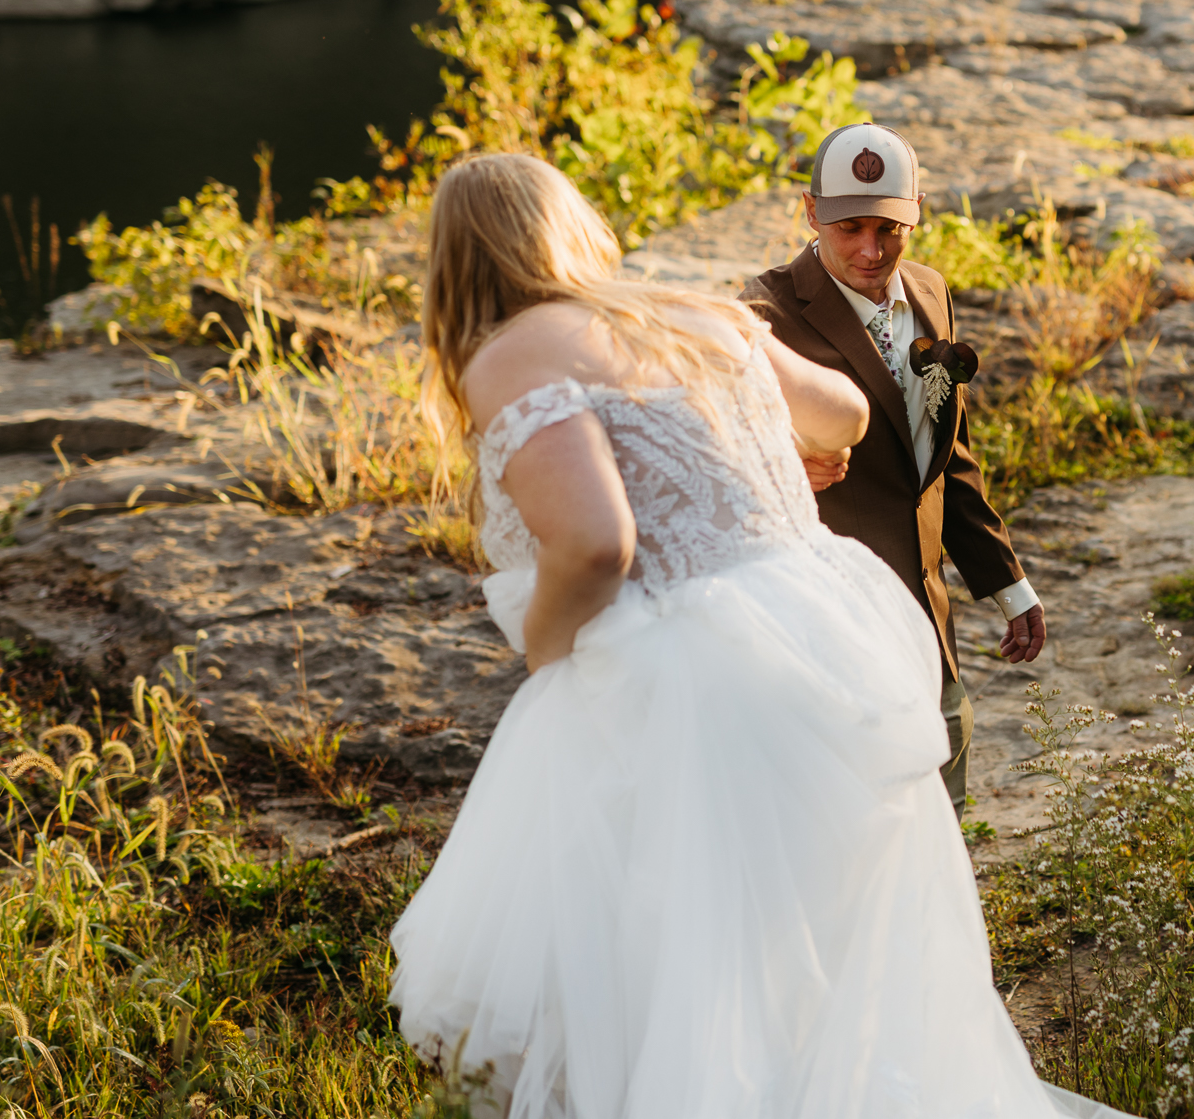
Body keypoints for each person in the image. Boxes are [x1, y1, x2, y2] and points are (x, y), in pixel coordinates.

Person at [388, 153, 1123, 1119]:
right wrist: (771, 455)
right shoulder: (694, 312)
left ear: (458, 257)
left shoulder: (513, 352)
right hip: (826, 631)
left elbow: (599, 543)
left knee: (689, 954)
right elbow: (846, 412)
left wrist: (544, 648)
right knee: (832, 945)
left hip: (692, 670)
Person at [742, 123, 1044, 810]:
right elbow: (719, 463)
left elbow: (947, 458)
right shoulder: (763, 313)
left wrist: (1007, 581)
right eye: (849, 227)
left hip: (928, 629)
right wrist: (778, 457)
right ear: (811, 210)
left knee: (943, 823)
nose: (872, 250)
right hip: (825, 637)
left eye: (890, 227)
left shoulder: (931, 293)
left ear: (918, 211)